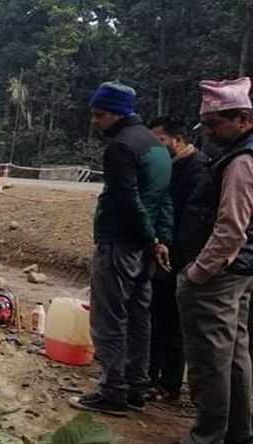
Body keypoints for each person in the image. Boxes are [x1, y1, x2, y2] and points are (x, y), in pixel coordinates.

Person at [68, 82, 173, 416]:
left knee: (110, 318)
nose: (96, 122)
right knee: (139, 316)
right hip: (146, 248)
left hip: (121, 243)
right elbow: (163, 199)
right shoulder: (156, 146)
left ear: (118, 113)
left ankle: (113, 391)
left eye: (100, 115)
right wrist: (159, 240)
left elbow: (129, 200)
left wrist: (149, 238)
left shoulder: (120, 148)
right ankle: (137, 387)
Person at [176, 77, 253, 444]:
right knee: (235, 354)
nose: (207, 132)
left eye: (214, 124)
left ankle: (207, 436)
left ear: (242, 120)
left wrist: (198, 272)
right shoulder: (236, 154)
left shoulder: (240, 162)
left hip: (220, 274)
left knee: (210, 361)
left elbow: (231, 228)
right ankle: (238, 433)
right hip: (239, 271)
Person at [145, 116, 211, 403]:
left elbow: (196, 220)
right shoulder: (169, 167)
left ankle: (169, 383)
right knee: (156, 314)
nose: (154, 147)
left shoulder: (198, 170)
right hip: (165, 252)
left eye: (159, 140)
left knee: (173, 320)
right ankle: (150, 374)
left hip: (184, 257)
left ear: (178, 139)